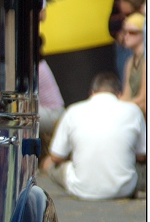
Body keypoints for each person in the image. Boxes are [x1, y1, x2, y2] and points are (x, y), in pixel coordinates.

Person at [42, 72, 147, 200]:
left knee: (48, 163)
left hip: (81, 190)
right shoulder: (134, 110)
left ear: (92, 93)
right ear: (118, 94)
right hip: (124, 189)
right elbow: (142, 154)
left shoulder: (73, 111)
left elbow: (56, 156)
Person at [120, 12, 146, 117]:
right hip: (135, 110)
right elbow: (127, 93)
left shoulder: (145, 60)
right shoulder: (130, 61)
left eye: (132, 32)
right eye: (124, 32)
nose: (126, 36)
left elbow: (143, 97)